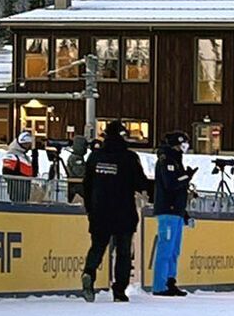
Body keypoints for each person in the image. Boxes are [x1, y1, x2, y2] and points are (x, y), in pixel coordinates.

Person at [80, 120, 150, 301]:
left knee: (97, 246)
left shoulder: (95, 157)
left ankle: (89, 272)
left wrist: (90, 208)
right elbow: (140, 183)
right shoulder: (129, 157)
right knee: (123, 252)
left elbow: (86, 184)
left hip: (99, 211)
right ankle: (119, 290)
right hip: (123, 210)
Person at [149, 131, 192, 297]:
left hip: (177, 211)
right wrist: (185, 177)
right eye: (183, 144)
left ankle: (170, 280)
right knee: (165, 249)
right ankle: (160, 285)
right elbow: (171, 183)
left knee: (174, 250)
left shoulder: (176, 160)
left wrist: (183, 212)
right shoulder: (166, 160)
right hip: (168, 210)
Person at [2, 130, 38, 202]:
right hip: (16, 191)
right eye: (25, 144)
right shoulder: (12, 154)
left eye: (28, 144)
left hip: (25, 191)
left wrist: (35, 158)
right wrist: (20, 179)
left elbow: (33, 173)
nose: (27, 147)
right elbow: (6, 173)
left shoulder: (25, 157)